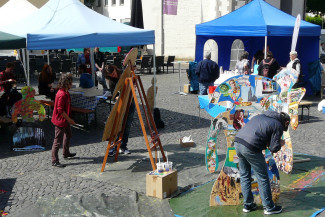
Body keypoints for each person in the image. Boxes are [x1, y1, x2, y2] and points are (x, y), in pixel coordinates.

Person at [234, 111, 290, 215]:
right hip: (251, 147)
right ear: (286, 122)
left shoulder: (262, 116)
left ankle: (248, 204)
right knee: (263, 177)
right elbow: (273, 148)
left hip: (238, 142)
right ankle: (269, 207)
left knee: (245, 175)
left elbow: (261, 134)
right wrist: (280, 143)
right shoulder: (277, 125)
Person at [51, 74, 76, 168]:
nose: (72, 84)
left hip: (65, 120)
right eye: (71, 82)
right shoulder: (61, 94)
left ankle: (66, 153)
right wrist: (70, 120)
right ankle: (54, 160)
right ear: (67, 83)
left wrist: (69, 119)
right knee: (57, 141)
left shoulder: (65, 92)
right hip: (60, 120)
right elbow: (60, 110)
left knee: (68, 134)